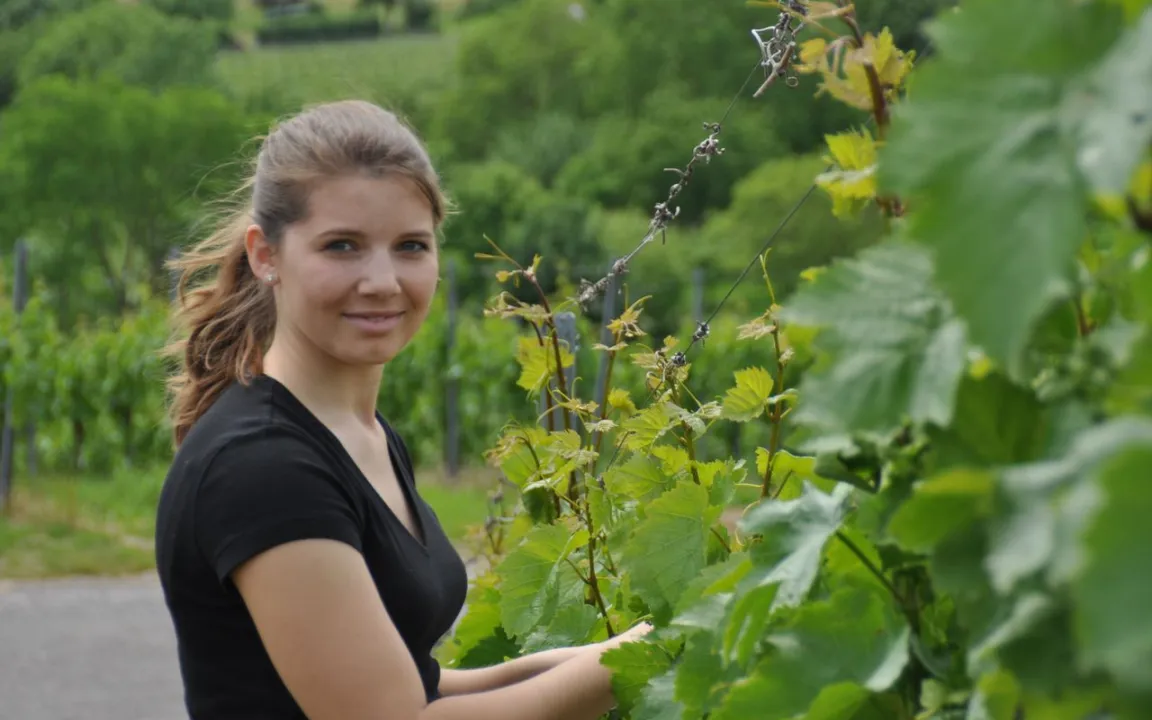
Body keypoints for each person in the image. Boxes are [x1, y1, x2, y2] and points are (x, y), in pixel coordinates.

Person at [153, 99, 652, 720]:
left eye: (411, 246)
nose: (384, 281)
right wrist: (627, 665)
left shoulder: (358, 433)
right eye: (342, 246)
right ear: (265, 255)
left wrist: (630, 652)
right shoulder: (262, 469)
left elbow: (418, 684)